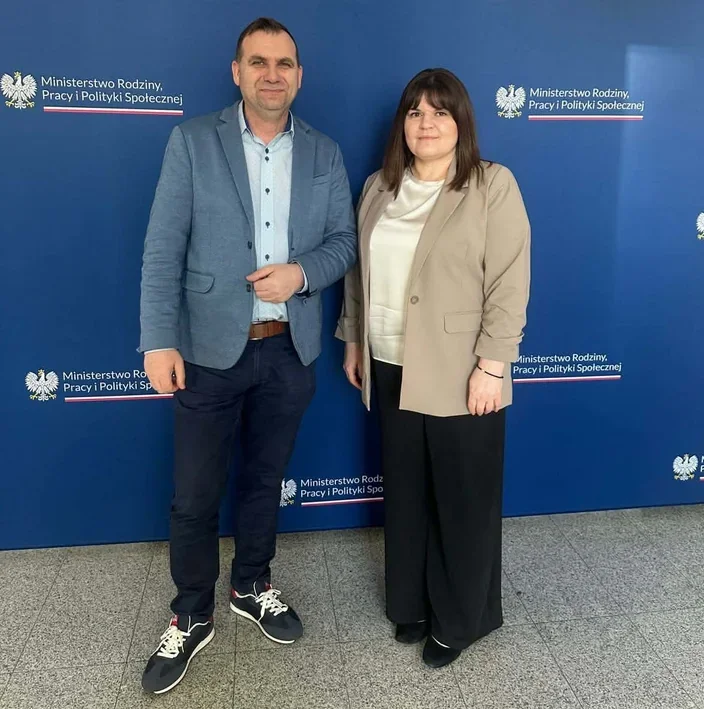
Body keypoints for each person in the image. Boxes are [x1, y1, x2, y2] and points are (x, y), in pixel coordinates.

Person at [138, 17, 356, 694]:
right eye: (258, 62)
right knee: (195, 494)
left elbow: (345, 242)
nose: (271, 74)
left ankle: (252, 583)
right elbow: (163, 248)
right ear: (237, 72)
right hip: (207, 351)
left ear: (299, 75)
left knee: (265, 481)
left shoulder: (324, 153)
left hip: (289, 350)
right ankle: (191, 611)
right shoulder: (192, 141)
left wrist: (302, 274)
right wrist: (158, 339)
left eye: (284, 63)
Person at [337, 68, 530, 669]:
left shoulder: (491, 185)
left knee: (463, 499)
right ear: (402, 124)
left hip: (461, 370)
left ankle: (463, 618)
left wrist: (492, 367)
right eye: (415, 112)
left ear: (461, 122)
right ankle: (412, 603)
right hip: (389, 364)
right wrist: (353, 341)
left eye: (440, 112)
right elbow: (357, 274)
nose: (426, 123)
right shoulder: (377, 187)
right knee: (408, 494)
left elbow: (509, 281)